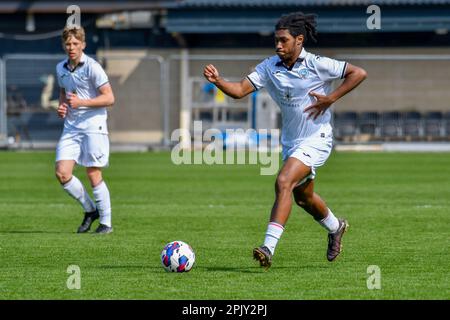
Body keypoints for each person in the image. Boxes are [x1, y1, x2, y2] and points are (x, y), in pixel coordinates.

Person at [203, 12, 367, 268]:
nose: (278, 45)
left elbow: (358, 73)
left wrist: (331, 98)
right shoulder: (269, 67)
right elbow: (238, 91)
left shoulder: (316, 63)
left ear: (299, 40)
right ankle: (336, 227)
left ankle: (268, 247)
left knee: (283, 181)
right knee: (303, 197)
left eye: (283, 40)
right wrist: (218, 81)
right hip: (291, 142)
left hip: (317, 138)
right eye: (276, 40)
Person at [55, 26, 115, 234]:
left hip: (93, 126)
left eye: (75, 44)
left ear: (83, 45)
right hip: (71, 127)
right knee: (62, 173)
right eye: (68, 44)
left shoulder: (93, 67)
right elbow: (64, 92)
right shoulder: (60, 68)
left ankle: (106, 223)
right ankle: (90, 210)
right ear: (64, 45)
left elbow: (109, 98)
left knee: (93, 172)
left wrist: (82, 102)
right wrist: (62, 106)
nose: (71, 47)